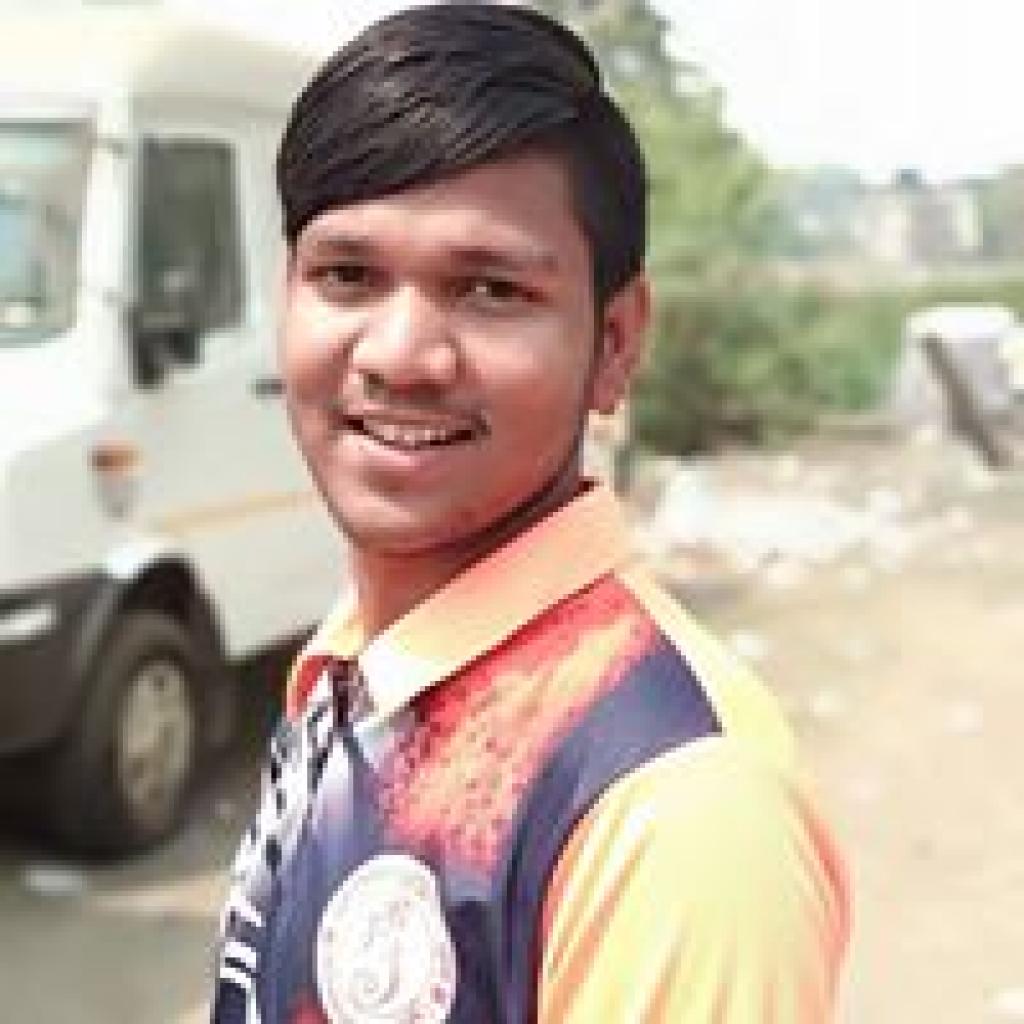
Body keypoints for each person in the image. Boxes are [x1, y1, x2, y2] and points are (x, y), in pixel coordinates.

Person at [212, 5, 849, 1022]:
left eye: (489, 290)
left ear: (614, 342)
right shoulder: (353, 667)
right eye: (347, 276)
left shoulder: (670, 804)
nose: (400, 355)